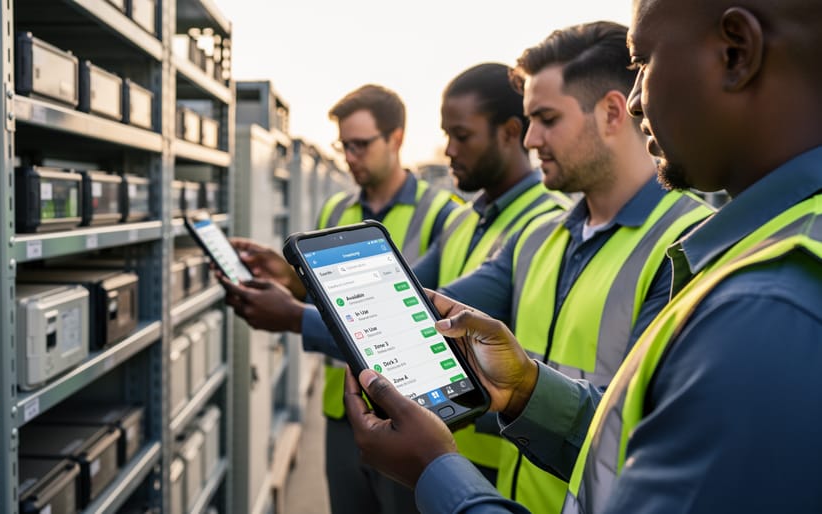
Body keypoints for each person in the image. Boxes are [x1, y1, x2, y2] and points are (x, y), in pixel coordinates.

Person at [344, 1, 822, 513]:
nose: (638, 100)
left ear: (736, 52)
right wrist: (526, 389)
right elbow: (627, 445)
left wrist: (436, 472)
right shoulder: (764, 253)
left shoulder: (765, 306)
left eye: (643, 62)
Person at [223, 66, 571, 508]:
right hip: (405, 419)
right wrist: (293, 280)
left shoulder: (537, 224)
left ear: (508, 132)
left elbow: (415, 320)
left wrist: (293, 317)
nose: (448, 150)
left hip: (479, 440)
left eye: (461, 135)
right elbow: (396, 300)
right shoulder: (468, 219)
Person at [227, 83, 460, 514]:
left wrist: (294, 316)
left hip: (410, 414)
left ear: (396, 138)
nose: (350, 157)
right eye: (344, 145)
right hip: (342, 411)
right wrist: (289, 281)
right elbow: (325, 299)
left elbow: (436, 317)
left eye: (360, 145)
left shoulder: (442, 214)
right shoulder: (335, 211)